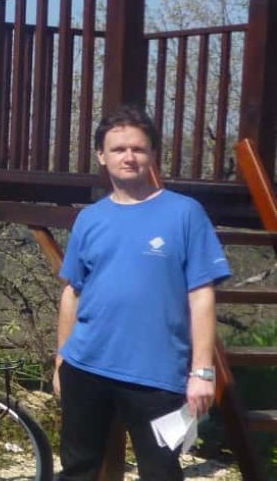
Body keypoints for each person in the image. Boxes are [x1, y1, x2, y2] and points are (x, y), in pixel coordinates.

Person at [55, 107, 230, 481]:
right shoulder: (90, 218)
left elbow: (201, 294)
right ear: (102, 156)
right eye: (118, 149)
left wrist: (203, 371)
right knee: (78, 470)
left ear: (152, 154)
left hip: (157, 375)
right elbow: (72, 292)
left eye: (138, 148)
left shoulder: (185, 214)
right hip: (85, 367)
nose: (128, 157)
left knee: (161, 473)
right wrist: (60, 360)